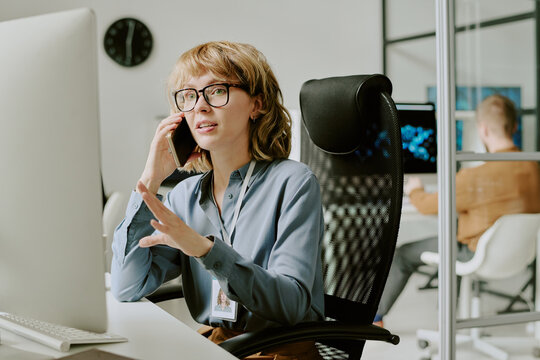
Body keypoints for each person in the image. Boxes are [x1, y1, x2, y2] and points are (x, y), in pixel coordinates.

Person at [111, 41, 325, 359]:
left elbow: (291, 305)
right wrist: (150, 178)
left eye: (216, 90)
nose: (200, 106)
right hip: (217, 346)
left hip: (280, 351)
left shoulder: (293, 182)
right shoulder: (184, 195)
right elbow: (127, 286)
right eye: (188, 95)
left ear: (257, 104)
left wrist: (204, 249)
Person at [374, 94, 540, 327]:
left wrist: (415, 190)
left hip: (476, 255)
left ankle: (374, 319)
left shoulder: (476, 178)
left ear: (482, 129)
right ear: (514, 126)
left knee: (402, 255)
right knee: (454, 230)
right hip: (521, 256)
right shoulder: (534, 166)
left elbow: (426, 206)